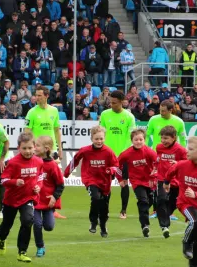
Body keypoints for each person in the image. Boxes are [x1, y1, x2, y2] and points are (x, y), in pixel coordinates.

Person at [164, 137, 197, 267]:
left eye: (191, 149)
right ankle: (186, 242)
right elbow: (171, 170)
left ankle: (194, 264)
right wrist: (166, 182)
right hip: (185, 202)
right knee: (195, 222)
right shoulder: (183, 164)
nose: (187, 151)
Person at [0, 132, 44, 263]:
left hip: (28, 198)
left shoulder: (38, 161)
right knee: (6, 225)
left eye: (30, 148)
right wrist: (14, 182)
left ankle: (22, 252)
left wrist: (38, 186)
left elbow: (40, 177)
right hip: (11, 199)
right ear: (18, 148)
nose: (28, 151)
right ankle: (2, 239)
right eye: (24, 148)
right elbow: (4, 179)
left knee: (28, 221)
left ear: (34, 147)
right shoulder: (13, 163)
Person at [64, 126, 118, 238]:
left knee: (104, 206)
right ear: (91, 139)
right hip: (90, 180)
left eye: (101, 139)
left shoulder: (108, 152)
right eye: (96, 139)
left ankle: (103, 226)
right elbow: (75, 160)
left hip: (105, 182)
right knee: (95, 197)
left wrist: (112, 170)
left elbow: (116, 165)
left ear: (104, 138)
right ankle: (93, 221)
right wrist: (66, 173)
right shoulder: (85, 150)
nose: (99, 141)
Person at [24, 86, 66, 219]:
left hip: (51, 151)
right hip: (37, 152)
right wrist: (29, 149)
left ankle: (53, 208)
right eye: (36, 95)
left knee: (55, 180)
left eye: (39, 95)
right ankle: (33, 204)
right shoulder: (31, 112)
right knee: (35, 178)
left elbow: (57, 130)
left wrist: (60, 148)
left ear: (46, 96)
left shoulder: (54, 111)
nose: (37, 97)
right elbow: (27, 132)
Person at [99, 90, 135, 219]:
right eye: (110, 102)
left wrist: (123, 154)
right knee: (105, 184)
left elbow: (130, 137)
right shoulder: (104, 115)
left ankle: (123, 210)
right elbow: (101, 133)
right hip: (107, 156)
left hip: (123, 157)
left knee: (123, 183)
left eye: (114, 103)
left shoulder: (129, 117)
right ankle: (105, 210)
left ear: (121, 102)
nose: (111, 104)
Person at [116, 129, 158, 238]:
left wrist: (153, 176)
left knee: (150, 201)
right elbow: (116, 166)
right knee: (143, 201)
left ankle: (143, 212)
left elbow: (158, 164)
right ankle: (145, 225)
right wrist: (120, 179)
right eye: (136, 140)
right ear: (132, 140)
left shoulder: (149, 152)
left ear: (144, 140)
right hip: (137, 182)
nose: (138, 142)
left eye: (141, 139)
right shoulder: (126, 154)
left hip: (150, 182)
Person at [33, 136, 65, 258]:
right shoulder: (32, 162)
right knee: (36, 224)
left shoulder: (52, 166)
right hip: (34, 200)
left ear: (46, 149)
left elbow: (60, 184)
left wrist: (54, 197)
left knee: (49, 226)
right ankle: (40, 246)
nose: (34, 148)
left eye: (37, 146)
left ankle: (50, 217)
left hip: (47, 202)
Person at [155, 126, 187, 236]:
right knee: (161, 199)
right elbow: (158, 160)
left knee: (174, 203)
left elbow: (187, 163)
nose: (163, 141)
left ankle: (165, 215)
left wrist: (178, 164)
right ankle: (164, 226)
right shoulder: (159, 147)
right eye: (162, 138)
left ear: (174, 138)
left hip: (176, 181)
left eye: (166, 138)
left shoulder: (181, 150)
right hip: (162, 179)